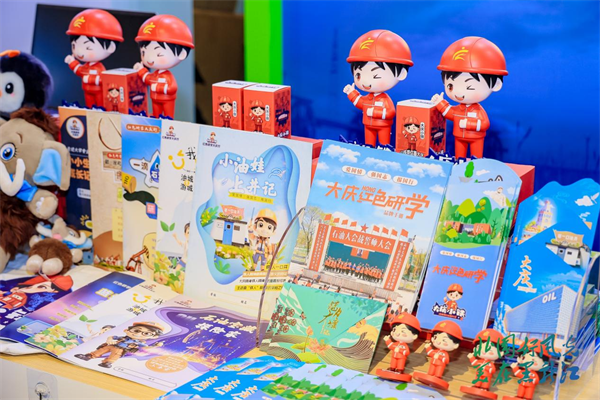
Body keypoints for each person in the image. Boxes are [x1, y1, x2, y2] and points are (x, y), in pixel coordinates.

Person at [431, 37, 507, 159]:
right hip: (458, 136)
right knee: (459, 156)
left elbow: (485, 124)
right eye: (450, 86)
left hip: (476, 138)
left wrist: (468, 123)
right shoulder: (458, 109)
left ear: (496, 84)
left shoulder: (478, 111)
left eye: (469, 87)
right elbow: (450, 113)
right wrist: (440, 103)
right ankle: (459, 163)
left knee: (475, 158)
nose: (459, 93)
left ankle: (476, 165)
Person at [343, 30, 413, 147]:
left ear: (401, 73)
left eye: (375, 76)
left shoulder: (385, 99)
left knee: (383, 145)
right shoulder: (368, 98)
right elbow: (360, 102)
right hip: (367, 125)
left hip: (383, 126)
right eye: (358, 75)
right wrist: (351, 92)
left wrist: (374, 112)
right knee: (369, 145)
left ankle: (383, 151)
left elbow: (391, 112)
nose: (366, 82)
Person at [133, 15, 194, 118]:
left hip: (167, 100)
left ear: (181, 53)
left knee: (168, 117)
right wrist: (141, 69)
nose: (150, 59)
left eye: (159, 54)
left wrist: (158, 87)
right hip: (154, 98)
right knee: (156, 116)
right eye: (144, 53)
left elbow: (172, 88)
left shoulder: (167, 76)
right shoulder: (155, 74)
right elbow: (148, 78)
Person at [65, 9, 124, 108]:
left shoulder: (99, 68)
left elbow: (103, 79)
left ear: (110, 47)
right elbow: (79, 70)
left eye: (88, 47)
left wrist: (90, 79)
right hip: (86, 90)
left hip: (98, 91)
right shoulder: (86, 66)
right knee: (89, 107)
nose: (79, 52)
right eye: (74, 46)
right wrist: (72, 62)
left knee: (99, 106)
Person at [75, 321, 165, 368]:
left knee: (115, 356)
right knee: (101, 350)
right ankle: (88, 356)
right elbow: (111, 337)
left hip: (120, 349)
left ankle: (107, 363)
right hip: (112, 345)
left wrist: (156, 346)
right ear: (126, 330)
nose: (138, 334)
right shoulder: (122, 337)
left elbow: (146, 347)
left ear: (154, 337)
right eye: (136, 330)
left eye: (146, 333)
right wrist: (109, 340)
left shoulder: (139, 343)